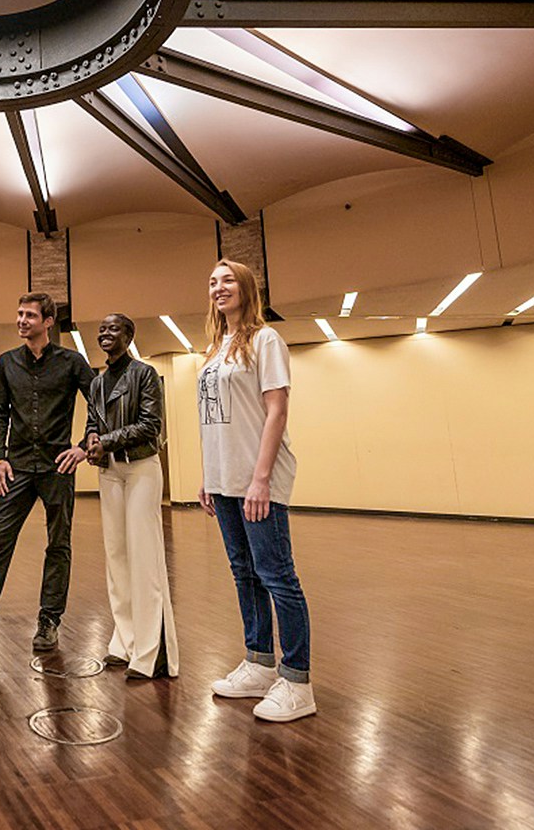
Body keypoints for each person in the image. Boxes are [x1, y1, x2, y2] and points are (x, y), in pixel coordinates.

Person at [194, 259, 316, 721]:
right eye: (213, 282)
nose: (218, 287)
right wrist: (209, 474)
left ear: (246, 288)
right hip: (224, 479)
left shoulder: (266, 340)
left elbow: (277, 410)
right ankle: (260, 662)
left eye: (227, 280)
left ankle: (297, 680)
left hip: (257, 479)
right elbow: (213, 420)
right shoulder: (214, 350)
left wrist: (260, 478)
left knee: (277, 575)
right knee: (243, 573)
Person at [0, 293, 94, 655]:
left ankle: (49, 621)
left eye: (30, 315)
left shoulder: (72, 363)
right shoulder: (7, 362)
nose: (22, 320)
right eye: (20, 314)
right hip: (18, 467)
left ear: (48, 321)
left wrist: (84, 447)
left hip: (58, 466)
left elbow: (100, 404)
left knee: (58, 545)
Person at [83, 313, 179, 680]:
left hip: (140, 470)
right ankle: (125, 640)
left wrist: (105, 441)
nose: (105, 333)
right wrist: (92, 439)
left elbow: (150, 425)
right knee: (117, 556)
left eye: (113, 328)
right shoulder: (97, 382)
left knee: (144, 556)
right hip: (110, 471)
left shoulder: (144, 374)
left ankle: (151, 652)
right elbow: (93, 422)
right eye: (101, 329)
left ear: (129, 335)